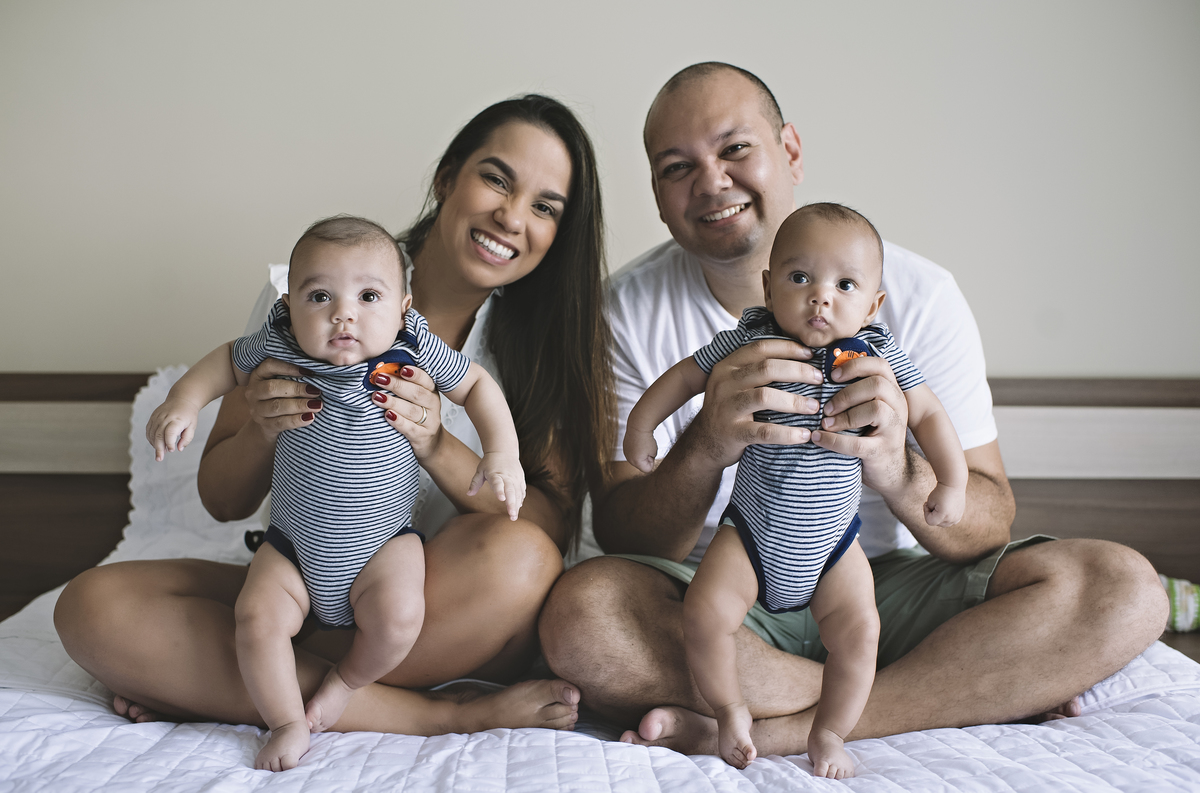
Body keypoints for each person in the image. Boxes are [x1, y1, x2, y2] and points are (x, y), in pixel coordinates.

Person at [538, 62, 1168, 760]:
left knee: (1123, 589)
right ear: (658, 195)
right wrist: (705, 444)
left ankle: (782, 727)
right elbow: (625, 532)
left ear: (791, 151)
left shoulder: (918, 298)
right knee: (581, 617)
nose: (711, 181)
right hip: (724, 586)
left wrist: (896, 465)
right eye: (677, 167)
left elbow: (989, 523)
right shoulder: (624, 312)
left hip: (878, 581)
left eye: (735, 148)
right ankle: (944, 687)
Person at [54, 94, 616, 740]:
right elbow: (221, 500)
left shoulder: (546, 345)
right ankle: (397, 704)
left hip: (431, 599)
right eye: (496, 178)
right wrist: (264, 427)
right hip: (297, 572)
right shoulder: (311, 291)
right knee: (91, 607)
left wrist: (434, 442)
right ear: (447, 178)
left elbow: (540, 525)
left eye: (545, 207)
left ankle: (236, 682)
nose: (512, 217)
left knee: (523, 561)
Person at [146, 215, 527, 770]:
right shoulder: (279, 343)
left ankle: (346, 683)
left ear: (403, 307)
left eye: (369, 296)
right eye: (319, 296)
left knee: (400, 619)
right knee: (255, 621)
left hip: (384, 545)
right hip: (291, 550)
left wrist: (502, 453)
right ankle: (287, 721)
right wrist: (182, 402)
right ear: (289, 306)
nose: (343, 314)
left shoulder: (413, 346)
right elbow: (224, 362)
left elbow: (476, 387)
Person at [624, 202, 967, 776]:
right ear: (768, 286)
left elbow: (929, 412)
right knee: (704, 614)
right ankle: (730, 711)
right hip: (749, 536)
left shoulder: (875, 355)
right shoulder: (750, 339)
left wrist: (952, 481)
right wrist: (641, 428)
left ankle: (827, 733)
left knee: (861, 633)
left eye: (845, 285)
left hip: (835, 545)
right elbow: (684, 376)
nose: (820, 297)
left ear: (873, 304)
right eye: (800, 277)